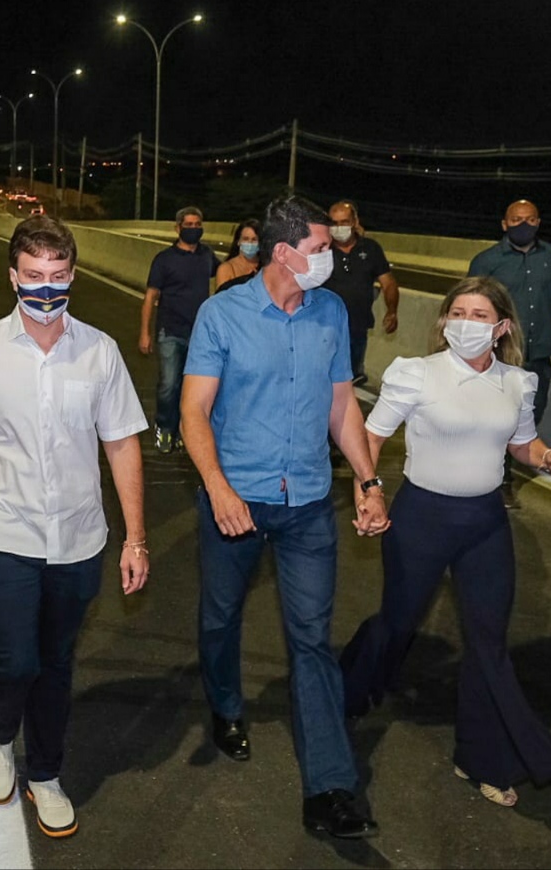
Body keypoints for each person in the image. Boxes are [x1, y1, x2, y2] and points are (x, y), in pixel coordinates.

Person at [0, 215, 149, 839]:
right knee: (14, 660)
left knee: (56, 663)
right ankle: (0, 738)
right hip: (5, 536)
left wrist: (136, 538)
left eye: (57, 277)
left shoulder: (100, 352)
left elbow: (123, 448)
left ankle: (46, 774)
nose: (46, 290)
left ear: (72, 275)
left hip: (80, 541)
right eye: (34, 277)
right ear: (13, 277)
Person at [181, 195, 388, 840]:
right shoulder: (223, 314)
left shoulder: (330, 312)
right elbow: (193, 413)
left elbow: (341, 409)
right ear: (284, 252)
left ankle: (330, 787)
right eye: (323, 247)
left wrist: (369, 480)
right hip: (235, 500)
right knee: (220, 617)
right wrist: (216, 487)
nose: (332, 256)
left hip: (306, 504)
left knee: (312, 642)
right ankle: (225, 706)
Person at [341, 276, 551, 807]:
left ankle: (482, 759)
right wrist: (369, 493)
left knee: (489, 642)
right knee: (398, 622)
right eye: (458, 313)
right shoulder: (417, 374)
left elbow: (522, 444)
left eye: (478, 315)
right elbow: (371, 436)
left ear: (501, 327)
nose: (466, 324)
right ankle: (345, 693)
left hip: (485, 523)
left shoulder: (517, 383)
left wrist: (547, 457)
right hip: (421, 518)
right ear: (445, 320)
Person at [468, 200, 551, 504]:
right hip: (499, 355)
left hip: (539, 353)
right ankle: (499, 477)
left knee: (532, 412)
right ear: (504, 224)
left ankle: (509, 461)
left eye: (530, 219)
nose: (523, 225)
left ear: (539, 222)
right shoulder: (487, 261)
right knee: (498, 417)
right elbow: (469, 309)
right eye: (516, 220)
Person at [137, 206, 219, 454]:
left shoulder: (207, 256)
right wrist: (145, 332)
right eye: (189, 224)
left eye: (197, 224)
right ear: (178, 228)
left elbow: (228, 274)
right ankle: (164, 427)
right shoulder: (164, 259)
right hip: (170, 331)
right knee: (169, 385)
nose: (194, 229)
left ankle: (186, 430)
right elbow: (151, 297)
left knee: (192, 388)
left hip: (200, 335)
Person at [326, 201, 399, 387]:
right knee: (328, 378)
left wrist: (392, 311)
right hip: (326, 328)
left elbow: (388, 283)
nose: (339, 228)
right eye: (334, 223)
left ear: (354, 221)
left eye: (344, 222)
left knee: (352, 377)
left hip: (358, 326)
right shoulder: (321, 249)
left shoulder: (371, 248)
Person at [215, 219, 262, 293]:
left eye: (254, 239)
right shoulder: (226, 269)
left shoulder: (267, 267)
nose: (250, 243)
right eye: (246, 239)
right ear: (238, 241)